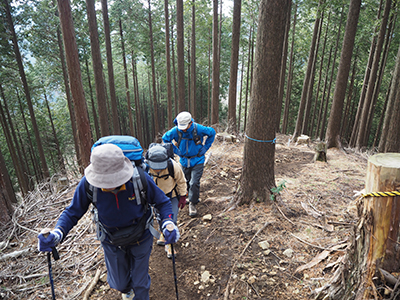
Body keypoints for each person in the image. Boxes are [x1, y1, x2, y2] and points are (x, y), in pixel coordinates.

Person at [37, 143, 180, 300]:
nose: (110, 187)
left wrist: (167, 223)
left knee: (141, 283)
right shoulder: (88, 184)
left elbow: (163, 202)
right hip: (111, 240)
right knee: (119, 283)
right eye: (105, 183)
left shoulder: (139, 178)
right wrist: (58, 233)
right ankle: (126, 290)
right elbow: (73, 211)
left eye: (115, 181)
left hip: (141, 237)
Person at [162, 111, 216, 217]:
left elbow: (212, 132)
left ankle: (193, 203)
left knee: (194, 182)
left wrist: (205, 147)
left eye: (185, 127)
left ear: (190, 123)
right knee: (184, 182)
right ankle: (186, 197)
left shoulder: (198, 129)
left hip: (198, 160)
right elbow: (165, 139)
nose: (183, 129)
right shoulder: (176, 130)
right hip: (183, 161)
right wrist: (176, 151)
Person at [145, 144, 187, 258]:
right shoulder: (145, 167)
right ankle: (163, 233)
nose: (158, 169)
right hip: (155, 198)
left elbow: (182, 181)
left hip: (171, 196)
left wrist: (183, 196)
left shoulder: (173, 166)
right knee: (159, 217)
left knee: (171, 219)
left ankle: (169, 245)